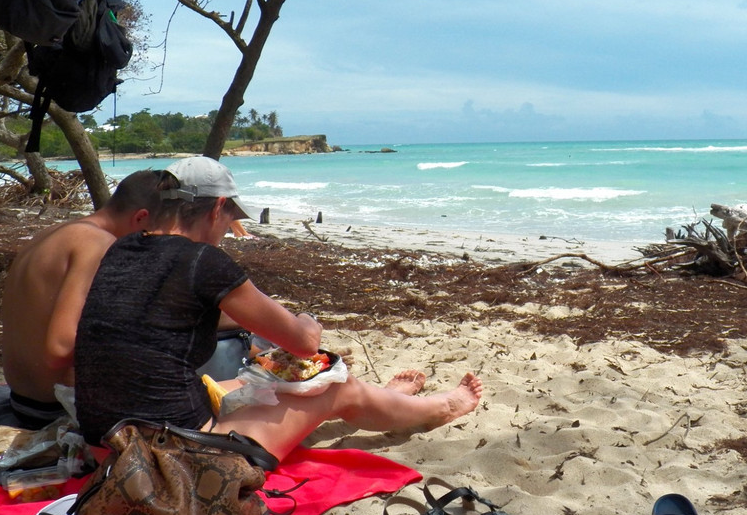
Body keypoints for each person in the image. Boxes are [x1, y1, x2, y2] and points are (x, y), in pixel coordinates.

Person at [74, 156, 482, 459]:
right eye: (229, 217)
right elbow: (304, 343)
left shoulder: (122, 250)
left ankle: (388, 402)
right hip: (173, 456)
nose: (227, 230)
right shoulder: (202, 260)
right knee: (336, 385)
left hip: (104, 446)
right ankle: (439, 408)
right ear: (217, 208)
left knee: (259, 385)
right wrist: (307, 319)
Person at [0, 170, 170, 428]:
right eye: (157, 235)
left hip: (22, 400)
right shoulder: (98, 244)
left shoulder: (56, 232)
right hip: (55, 410)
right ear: (141, 218)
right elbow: (61, 348)